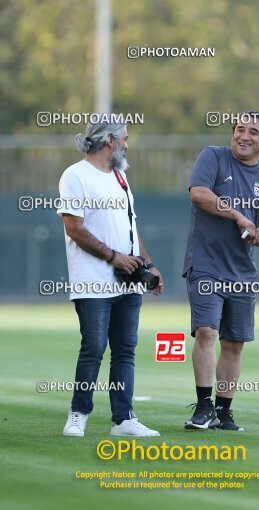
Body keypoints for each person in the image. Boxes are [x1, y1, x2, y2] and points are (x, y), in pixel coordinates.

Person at [57, 115, 163, 437]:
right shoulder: (75, 175)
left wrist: (148, 264)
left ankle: (123, 419)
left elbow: (131, 227)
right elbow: (73, 228)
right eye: (125, 138)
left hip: (128, 281)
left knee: (125, 349)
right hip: (92, 280)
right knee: (93, 346)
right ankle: (78, 414)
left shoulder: (120, 176)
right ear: (109, 142)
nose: (128, 144)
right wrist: (114, 257)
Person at [183, 111, 259, 431]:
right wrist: (237, 215)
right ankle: (204, 406)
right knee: (207, 332)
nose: (244, 136)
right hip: (206, 264)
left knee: (234, 343)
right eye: (240, 129)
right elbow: (199, 193)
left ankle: (223, 412)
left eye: (253, 132)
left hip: (242, 271)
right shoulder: (213, 157)